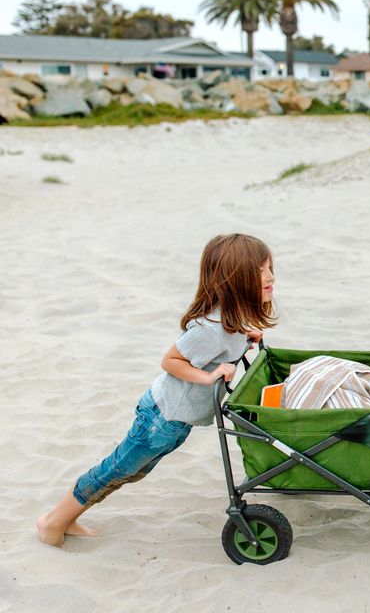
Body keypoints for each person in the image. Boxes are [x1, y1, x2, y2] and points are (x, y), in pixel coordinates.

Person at [36, 233, 276, 547]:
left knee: (131, 473)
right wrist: (209, 377)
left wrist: (248, 335)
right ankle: (52, 522)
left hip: (176, 422)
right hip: (160, 418)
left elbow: (228, 338)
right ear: (235, 281)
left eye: (271, 268)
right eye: (261, 272)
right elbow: (171, 361)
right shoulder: (209, 329)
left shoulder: (233, 320)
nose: (270, 277)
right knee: (116, 469)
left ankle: (67, 518)